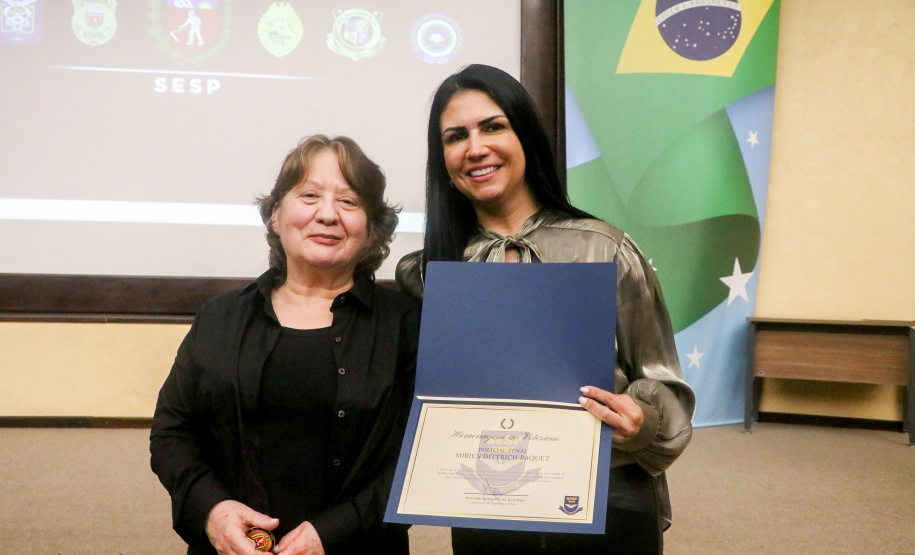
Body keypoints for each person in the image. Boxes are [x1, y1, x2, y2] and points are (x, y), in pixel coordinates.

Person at [396, 64, 695, 554]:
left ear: (526, 137)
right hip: (482, 492)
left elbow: (663, 380)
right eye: (456, 136)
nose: (475, 148)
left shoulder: (606, 250)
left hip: (605, 486)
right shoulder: (426, 273)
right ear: (442, 159)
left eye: (493, 127)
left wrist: (641, 418)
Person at [151, 135, 418, 555]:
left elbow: (420, 457)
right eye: (309, 195)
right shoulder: (220, 318)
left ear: (371, 229)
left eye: (348, 202)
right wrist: (213, 512)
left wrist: (330, 533)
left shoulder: (407, 324)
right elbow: (172, 434)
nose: (327, 215)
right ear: (276, 215)